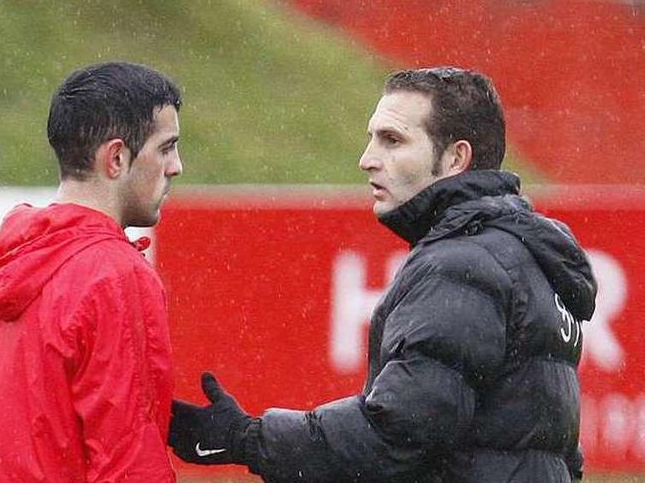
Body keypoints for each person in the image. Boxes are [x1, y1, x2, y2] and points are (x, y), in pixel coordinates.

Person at [169, 67, 595, 482]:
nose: (367, 160)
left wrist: (246, 437)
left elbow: (395, 436)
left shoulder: (461, 265)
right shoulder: (519, 254)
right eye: (372, 139)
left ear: (455, 158)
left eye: (392, 141)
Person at [0, 62, 183, 482]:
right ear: (117, 157)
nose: (176, 166)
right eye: (166, 148)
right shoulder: (116, 278)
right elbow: (128, 461)